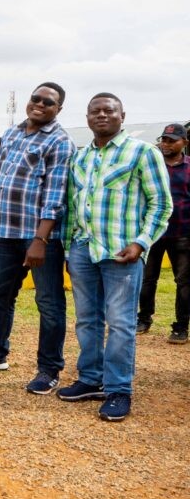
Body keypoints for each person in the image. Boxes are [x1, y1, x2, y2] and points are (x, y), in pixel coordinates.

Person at [59, 93, 171, 422]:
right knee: (87, 320)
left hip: (122, 252)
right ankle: (91, 379)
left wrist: (141, 243)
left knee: (121, 324)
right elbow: (71, 207)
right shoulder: (80, 158)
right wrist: (69, 248)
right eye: (96, 111)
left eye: (110, 110)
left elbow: (161, 205)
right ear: (88, 116)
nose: (102, 115)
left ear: (123, 115)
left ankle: (119, 389)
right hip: (83, 249)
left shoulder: (143, 153)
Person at [0, 82, 75, 396]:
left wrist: (41, 239)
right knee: (0, 295)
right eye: (35, 98)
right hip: (7, 230)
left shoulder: (60, 142)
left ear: (58, 109)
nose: (39, 104)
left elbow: (56, 196)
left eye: (48, 102)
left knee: (49, 303)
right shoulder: (12, 133)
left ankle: (49, 370)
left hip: (39, 236)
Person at [136, 123, 189, 342]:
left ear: (184, 143)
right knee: (147, 279)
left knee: (184, 281)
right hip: (153, 232)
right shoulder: (151, 165)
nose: (165, 144)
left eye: (172, 140)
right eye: (164, 140)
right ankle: (144, 319)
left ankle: (181, 327)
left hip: (183, 233)